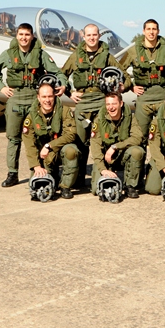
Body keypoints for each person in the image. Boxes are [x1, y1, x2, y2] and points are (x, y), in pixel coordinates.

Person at [0, 23, 67, 188]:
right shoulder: (8, 54)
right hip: (15, 100)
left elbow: (58, 72)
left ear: (32, 36)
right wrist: (1, 87)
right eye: (21, 34)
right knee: (13, 139)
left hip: (34, 100)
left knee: (40, 137)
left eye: (27, 35)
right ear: (17, 36)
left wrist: (64, 84)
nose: (24, 38)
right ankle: (12, 173)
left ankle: (43, 171)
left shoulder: (40, 55)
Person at [61, 23, 129, 183]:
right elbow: (61, 75)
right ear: (83, 37)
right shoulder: (76, 56)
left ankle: (105, 173)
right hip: (83, 103)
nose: (92, 38)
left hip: (101, 102)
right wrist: (70, 92)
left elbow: (125, 76)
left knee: (103, 139)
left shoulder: (107, 56)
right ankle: (78, 177)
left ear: (99, 36)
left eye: (94, 35)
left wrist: (122, 87)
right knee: (80, 142)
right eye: (88, 35)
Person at [119, 19, 165, 132]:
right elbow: (119, 69)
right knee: (140, 134)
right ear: (143, 31)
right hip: (144, 97)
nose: (151, 32)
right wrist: (131, 86)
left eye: (154, 29)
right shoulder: (133, 51)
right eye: (148, 29)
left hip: (162, 97)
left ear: (158, 31)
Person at [22, 82, 80, 199]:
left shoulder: (65, 111)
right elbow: (29, 144)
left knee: (71, 151)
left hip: (58, 150)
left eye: (50, 96)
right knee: (36, 184)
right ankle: (52, 175)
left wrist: (49, 145)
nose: (47, 100)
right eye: (44, 97)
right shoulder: (31, 117)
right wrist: (36, 166)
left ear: (55, 96)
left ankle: (65, 186)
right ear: (38, 98)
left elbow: (71, 135)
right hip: (43, 156)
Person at [89, 92, 145, 199]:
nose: (111, 107)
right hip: (106, 158)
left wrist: (115, 146)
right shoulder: (99, 120)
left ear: (121, 104)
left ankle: (130, 185)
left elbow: (138, 138)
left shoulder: (131, 117)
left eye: (114, 104)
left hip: (123, 156)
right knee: (96, 190)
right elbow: (95, 146)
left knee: (137, 151)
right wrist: (102, 169)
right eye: (108, 104)